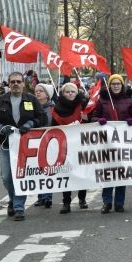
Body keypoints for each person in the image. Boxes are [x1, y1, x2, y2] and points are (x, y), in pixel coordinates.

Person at [0, 72, 48, 221]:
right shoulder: (1, 100)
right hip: (7, 144)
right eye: (12, 81)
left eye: (18, 81)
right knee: (6, 177)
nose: (15, 84)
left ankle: (19, 207)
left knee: (21, 176)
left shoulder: (31, 99)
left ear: (23, 84)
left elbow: (43, 117)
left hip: (26, 146)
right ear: (8, 83)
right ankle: (12, 199)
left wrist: (31, 124)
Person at [91, 74, 132, 214]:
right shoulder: (103, 100)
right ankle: (107, 202)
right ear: (110, 86)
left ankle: (119, 203)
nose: (116, 86)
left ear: (122, 85)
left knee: (121, 172)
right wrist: (98, 120)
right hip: (107, 142)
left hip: (124, 142)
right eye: (114, 84)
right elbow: (94, 116)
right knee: (108, 172)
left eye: (118, 84)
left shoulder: (130, 100)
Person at [50, 82, 89, 213]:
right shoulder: (57, 108)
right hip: (65, 145)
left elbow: (93, 120)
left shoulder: (84, 105)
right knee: (66, 173)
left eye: (72, 91)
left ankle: (82, 198)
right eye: (67, 92)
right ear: (63, 93)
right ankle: (66, 202)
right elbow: (52, 127)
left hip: (82, 144)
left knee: (82, 172)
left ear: (77, 93)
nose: (70, 94)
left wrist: (87, 118)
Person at [32, 83, 55, 208]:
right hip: (35, 142)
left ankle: (47, 196)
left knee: (46, 169)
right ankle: (40, 196)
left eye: (41, 91)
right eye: (37, 90)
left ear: (48, 94)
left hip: (49, 142)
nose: (38, 93)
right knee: (37, 170)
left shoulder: (53, 108)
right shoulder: (32, 107)